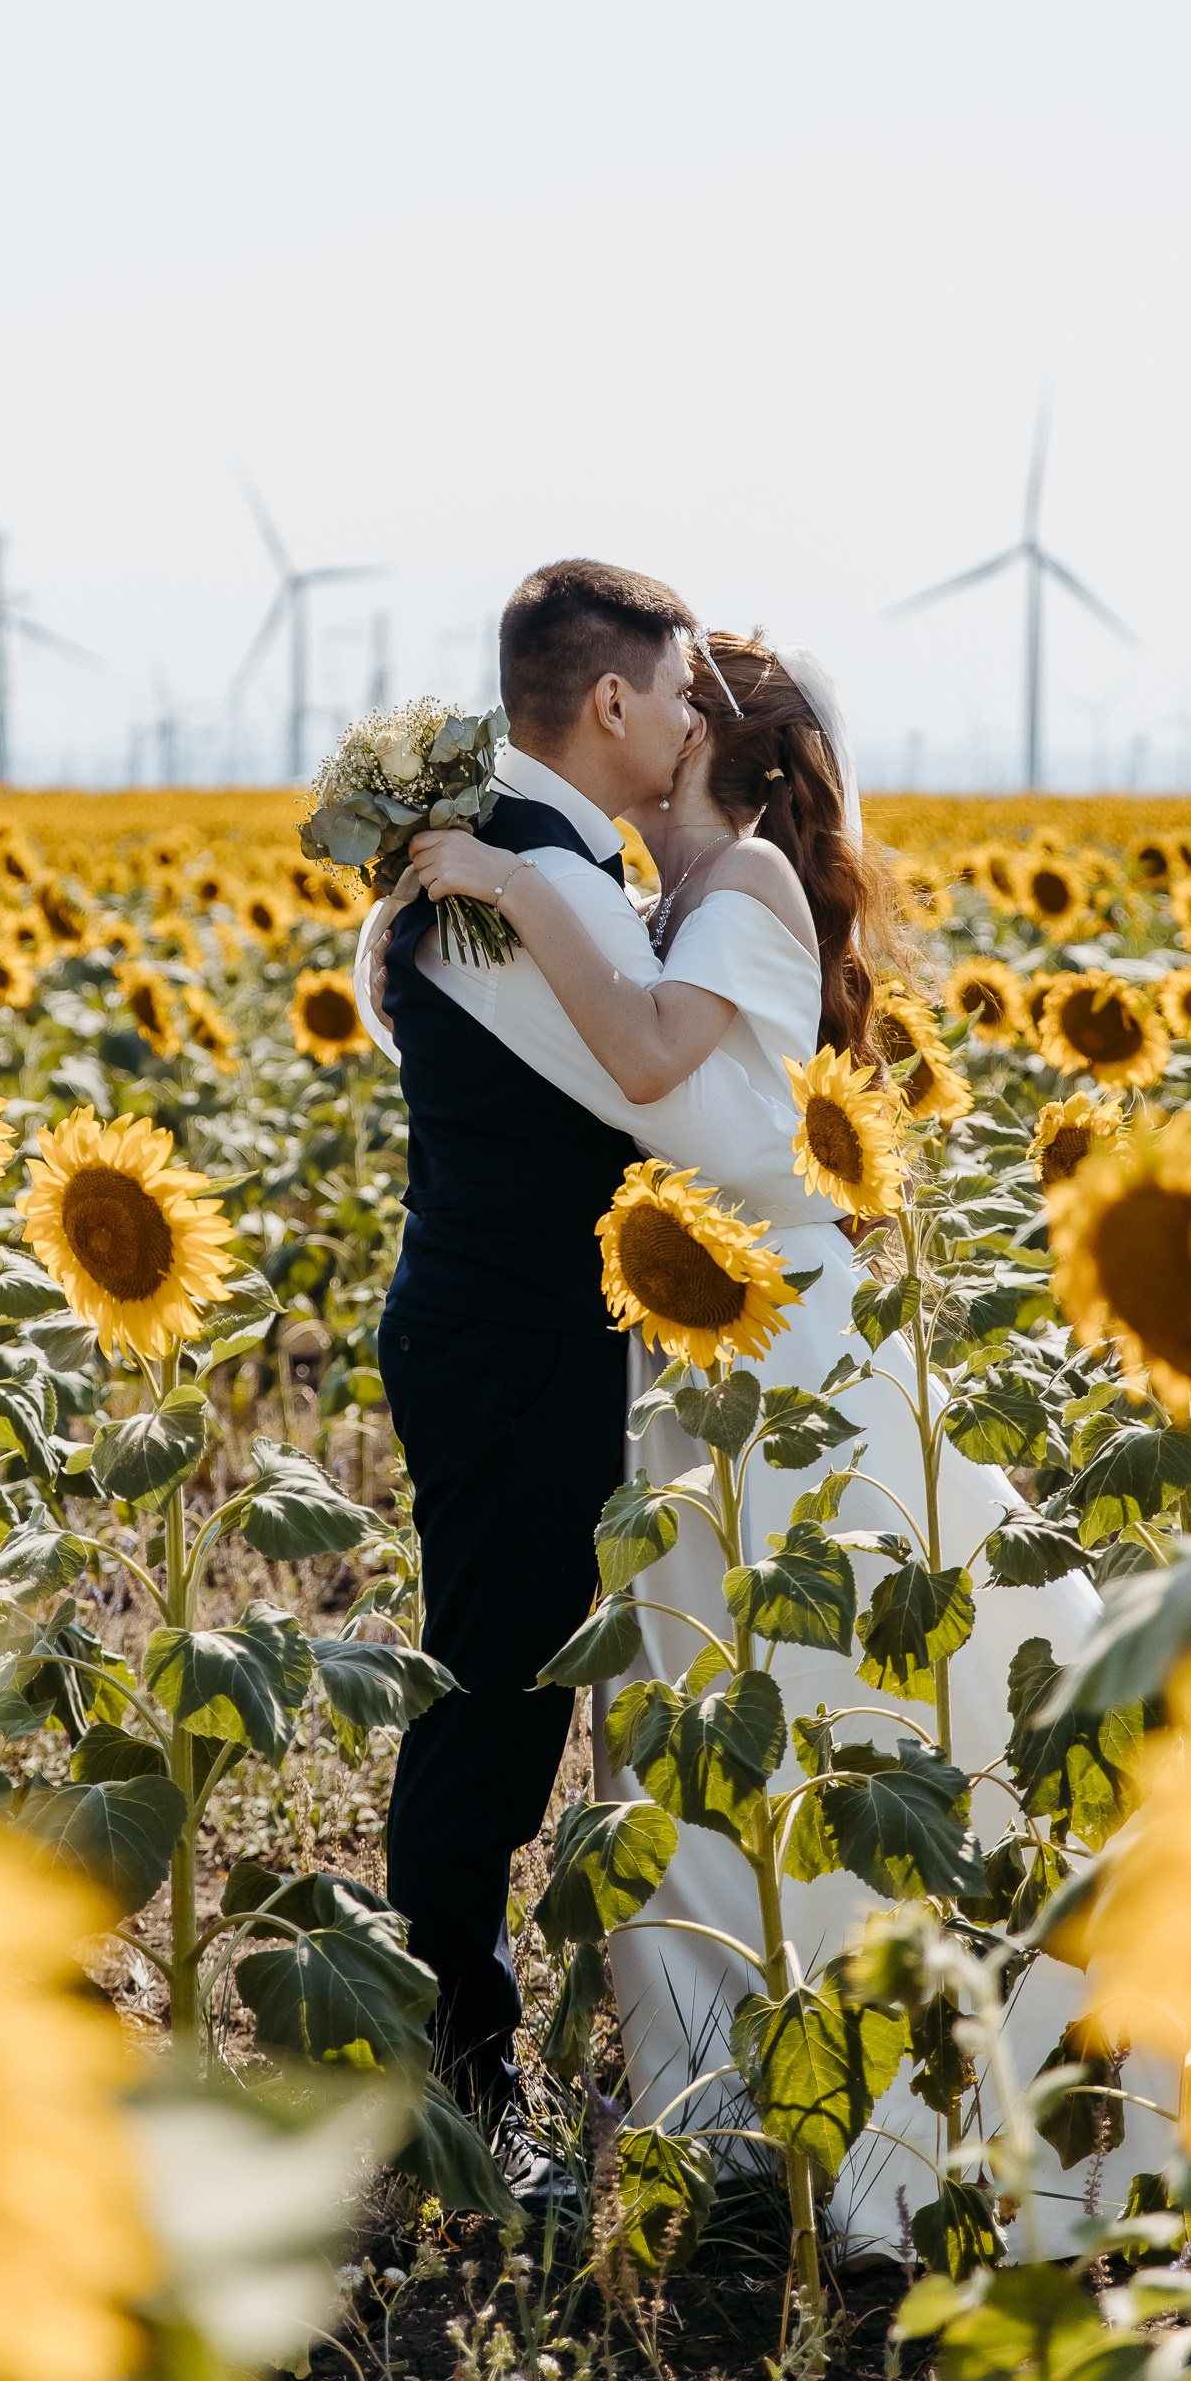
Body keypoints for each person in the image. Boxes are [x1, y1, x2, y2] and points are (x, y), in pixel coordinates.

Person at [399, 628, 1167, 2256]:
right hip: (695, 1343)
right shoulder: (665, 893)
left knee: (818, 1690)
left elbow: (652, 1055)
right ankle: (739, 2105)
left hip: (771, 1347)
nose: (659, 711)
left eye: (682, 697)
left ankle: (866, 2092)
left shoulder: (731, 883)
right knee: (693, 1711)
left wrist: (499, 879)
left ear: (691, 740)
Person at [360, 561, 807, 2201]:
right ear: (609, 703)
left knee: (514, 1686)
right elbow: (661, 1101)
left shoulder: (498, 862)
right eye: (678, 689)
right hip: (517, 1335)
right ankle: (456, 2093)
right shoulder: (519, 875)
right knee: (492, 1701)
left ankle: (465, 2073)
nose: (697, 716)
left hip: (513, 1319)